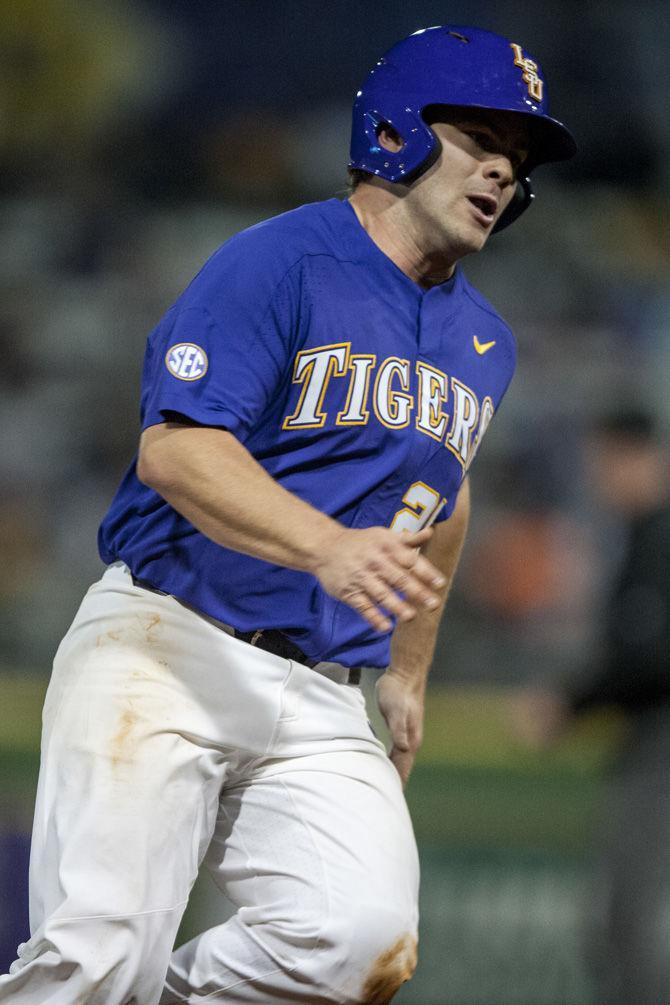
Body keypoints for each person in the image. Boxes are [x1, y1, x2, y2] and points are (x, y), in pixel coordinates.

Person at [1, 25, 575, 1005]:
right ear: (397, 130)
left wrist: (406, 672)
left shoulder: (483, 340)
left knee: (358, 942)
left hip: (320, 691)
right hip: (168, 642)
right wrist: (325, 546)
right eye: (481, 137)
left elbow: (443, 493)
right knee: (97, 962)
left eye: (515, 159)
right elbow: (175, 450)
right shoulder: (280, 261)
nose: (499, 172)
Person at [512, 408, 670, 1004]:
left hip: (662, 749)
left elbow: (651, 652)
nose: (598, 478)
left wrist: (570, 703)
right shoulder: (642, 534)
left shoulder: (661, 535)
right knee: (624, 927)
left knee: (636, 929)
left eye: (605, 462)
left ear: (632, 456)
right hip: (647, 743)